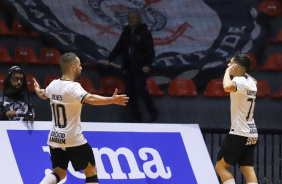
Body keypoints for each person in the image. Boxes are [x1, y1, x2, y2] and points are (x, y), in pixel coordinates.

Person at [33, 52, 129, 184]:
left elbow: (43, 94)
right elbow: (90, 98)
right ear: (73, 67)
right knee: (91, 173)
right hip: (73, 139)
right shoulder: (73, 87)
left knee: (59, 173)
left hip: (55, 139)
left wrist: (37, 89)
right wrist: (111, 100)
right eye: (79, 65)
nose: (81, 68)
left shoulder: (53, 84)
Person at [103, 9, 159, 122]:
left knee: (141, 89)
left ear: (138, 19)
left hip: (140, 68)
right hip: (128, 68)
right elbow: (119, 46)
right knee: (130, 94)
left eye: (132, 18)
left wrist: (148, 64)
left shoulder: (144, 32)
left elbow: (150, 50)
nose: (130, 20)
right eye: (128, 18)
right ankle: (137, 119)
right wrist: (109, 59)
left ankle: (153, 111)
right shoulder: (127, 31)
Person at [215, 53, 258, 184]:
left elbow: (226, 87)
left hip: (238, 133)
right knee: (247, 169)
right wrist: (241, 68)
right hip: (252, 133)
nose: (228, 64)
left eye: (231, 62)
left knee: (221, 167)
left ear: (236, 66)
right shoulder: (252, 82)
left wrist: (227, 72)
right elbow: (252, 78)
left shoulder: (238, 81)